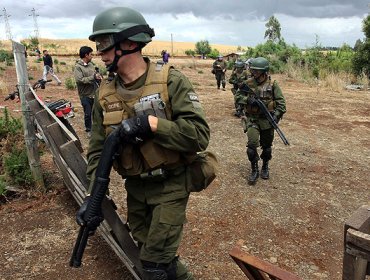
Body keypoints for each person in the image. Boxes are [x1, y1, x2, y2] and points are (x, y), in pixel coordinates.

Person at [77, 7, 210, 280]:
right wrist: (92, 198)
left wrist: (152, 125)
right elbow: (98, 152)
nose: (100, 53)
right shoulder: (105, 94)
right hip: (136, 188)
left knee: (154, 265)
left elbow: (198, 135)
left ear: (128, 42)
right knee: (154, 255)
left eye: (104, 44)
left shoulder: (170, 80)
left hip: (171, 184)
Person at [235, 57, 286, 185]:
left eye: (257, 71)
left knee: (267, 148)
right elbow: (238, 96)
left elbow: (281, 104)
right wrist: (248, 100)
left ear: (264, 72)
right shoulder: (248, 83)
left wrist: (276, 116)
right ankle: (254, 169)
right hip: (252, 119)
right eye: (253, 71)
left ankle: (265, 166)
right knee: (251, 146)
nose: (254, 73)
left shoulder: (273, 84)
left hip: (267, 120)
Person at [74, 46, 102, 138]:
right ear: (86, 55)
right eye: (91, 54)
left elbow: (94, 76)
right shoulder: (78, 67)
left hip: (94, 93)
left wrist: (98, 77)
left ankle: (97, 129)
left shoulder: (91, 65)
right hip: (85, 95)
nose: (92, 56)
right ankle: (89, 130)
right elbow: (80, 80)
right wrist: (93, 77)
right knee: (88, 113)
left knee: (96, 112)